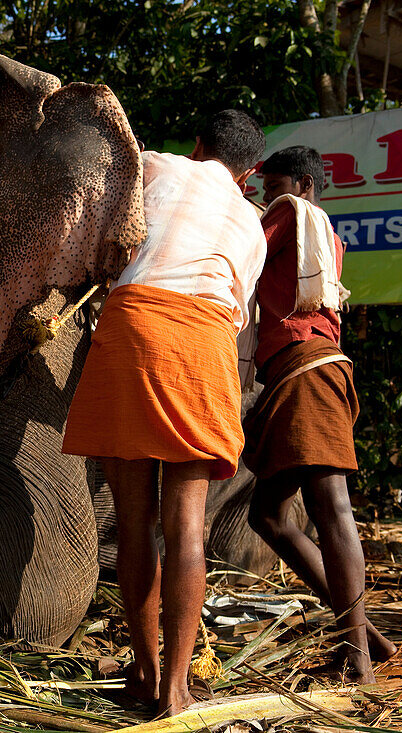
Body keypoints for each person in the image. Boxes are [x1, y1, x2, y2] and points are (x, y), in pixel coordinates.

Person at [63, 110, 268, 717]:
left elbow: (100, 224)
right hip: (204, 344)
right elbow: (237, 317)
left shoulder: (155, 165)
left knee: (134, 523)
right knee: (187, 526)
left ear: (198, 145)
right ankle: (178, 687)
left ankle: (146, 670)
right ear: (250, 173)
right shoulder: (253, 227)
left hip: (131, 326)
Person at [244, 145, 397, 682]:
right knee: (267, 515)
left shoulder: (292, 214)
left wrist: (230, 206)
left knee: (330, 505)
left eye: (274, 185)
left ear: (303, 184)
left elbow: (245, 251)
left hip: (305, 368)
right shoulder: (325, 235)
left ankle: (357, 658)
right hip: (305, 371)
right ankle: (368, 638)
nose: (267, 197)